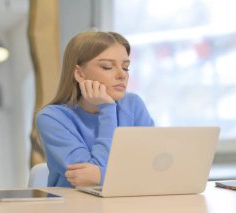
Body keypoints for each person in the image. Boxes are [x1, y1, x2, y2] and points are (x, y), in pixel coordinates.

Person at [36, 31, 154, 187]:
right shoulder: (52, 118)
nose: (121, 75)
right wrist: (107, 109)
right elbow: (87, 181)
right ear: (79, 73)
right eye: (107, 66)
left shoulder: (133, 105)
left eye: (126, 68)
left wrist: (101, 176)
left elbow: (154, 171)